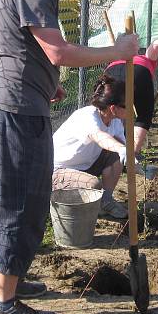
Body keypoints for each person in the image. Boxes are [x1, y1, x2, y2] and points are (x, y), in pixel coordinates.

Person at [0, 0, 139, 314]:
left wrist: (46, 82)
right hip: (15, 110)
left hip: (9, 101)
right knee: (23, 204)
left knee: (8, 200)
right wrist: (117, 52)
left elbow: (16, 45)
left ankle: (7, 285)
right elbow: (60, 53)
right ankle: (4, 305)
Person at [52, 75, 129, 219]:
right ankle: (66, 206)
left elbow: (122, 146)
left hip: (84, 166)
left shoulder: (115, 120)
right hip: (57, 171)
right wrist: (121, 148)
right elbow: (99, 136)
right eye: (127, 105)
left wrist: (138, 165)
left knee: (116, 155)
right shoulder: (87, 116)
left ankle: (105, 201)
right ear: (113, 108)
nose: (131, 108)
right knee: (93, 185)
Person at [105, 37, 158, 156]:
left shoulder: (118, 56)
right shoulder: (146, 58)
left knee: (113, 109)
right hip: (139, 73)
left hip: (112, 71)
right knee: (144, 116)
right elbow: (156, 44)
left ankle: (109, 150)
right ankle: (131, 156)